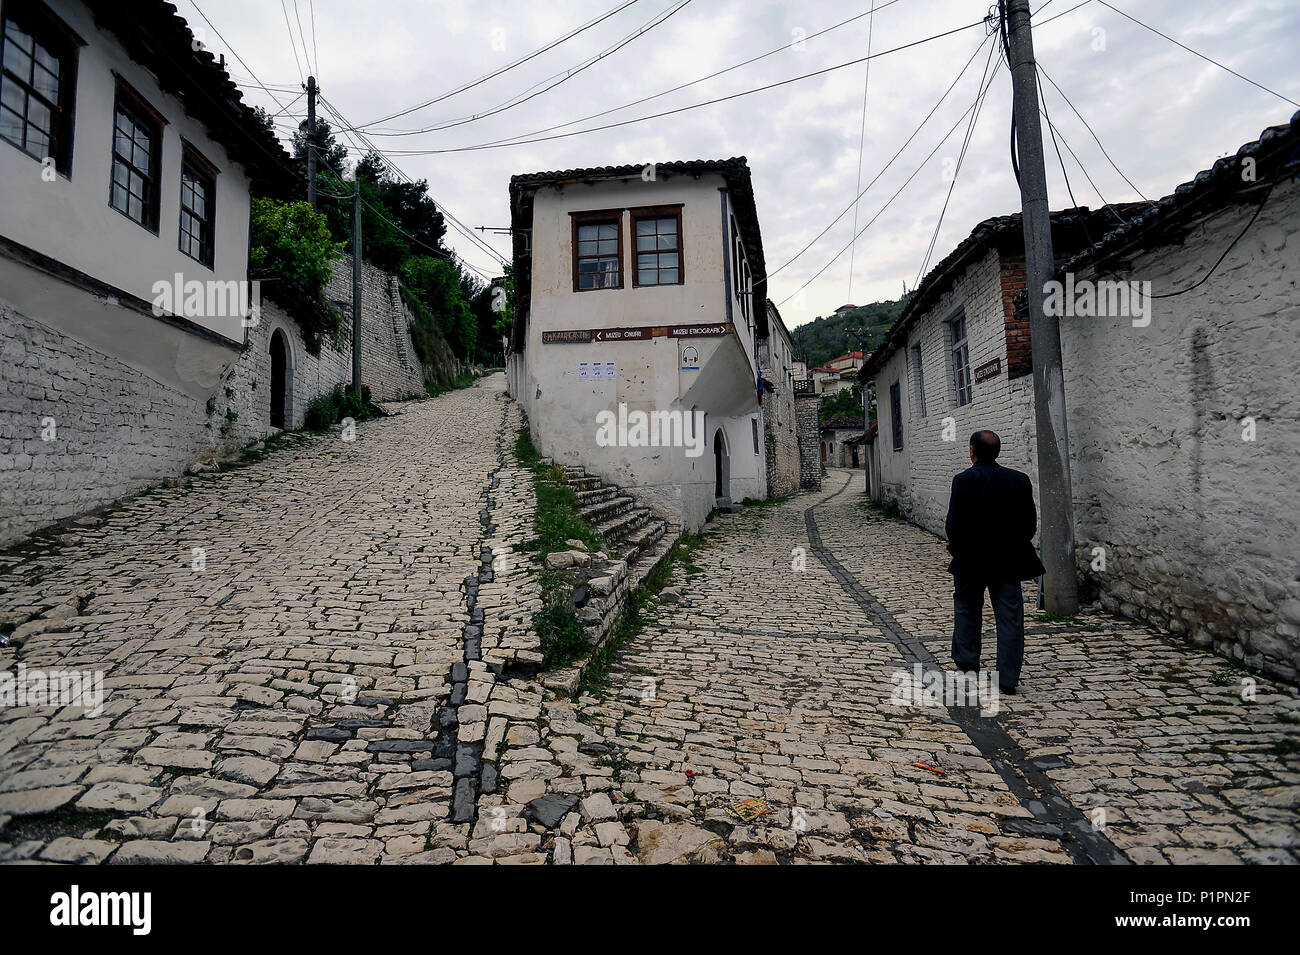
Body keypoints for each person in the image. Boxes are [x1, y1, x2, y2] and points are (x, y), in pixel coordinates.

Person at [944, 430, 1045, 693]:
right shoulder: (1019, 480)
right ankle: (1008, 678)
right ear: (997, 452)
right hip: (1008, 560)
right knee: (1010, 617)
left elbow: (954, 524)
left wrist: (957, 550)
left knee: (967, 609)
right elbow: (1029, 525)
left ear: (972, 451)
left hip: (970, 559)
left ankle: (967, 662)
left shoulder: (963, 480)